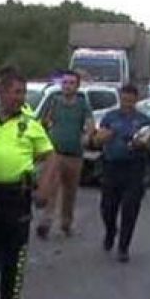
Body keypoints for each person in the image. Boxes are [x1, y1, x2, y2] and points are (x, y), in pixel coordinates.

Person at [0, 66, 55, 299]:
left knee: (15, 253)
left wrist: (44, 187)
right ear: (0, 93)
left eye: (23, 92)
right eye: (15, 92)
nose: (20, 97)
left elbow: (49, 156)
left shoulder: (29, 124)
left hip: (16, 195)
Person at [95, 85, 150, 262]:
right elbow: (97, 140)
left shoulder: (143, 120)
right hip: (111, 166)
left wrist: (142, 144)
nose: (127, 103)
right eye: (124, 99)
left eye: (130, 100)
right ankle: (111, 230)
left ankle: (123, 247)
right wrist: (106, 136)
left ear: (136, 100)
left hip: (134, 168)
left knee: (130, 208)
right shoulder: (110, 117)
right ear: (120, 99)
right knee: (107, 207)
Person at [36, 71, 94, 239]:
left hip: (74, 153)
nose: (67, 86)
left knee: (70, 191)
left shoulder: (82, 105)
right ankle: (46, 223)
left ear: (77, 86)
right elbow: (44, 122)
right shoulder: (55, 102)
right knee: (51, 189)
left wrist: (88, 135)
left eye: (71, 83)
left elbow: (90, 123)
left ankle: (66, 223)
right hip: (56, 152)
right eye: (65, 83)